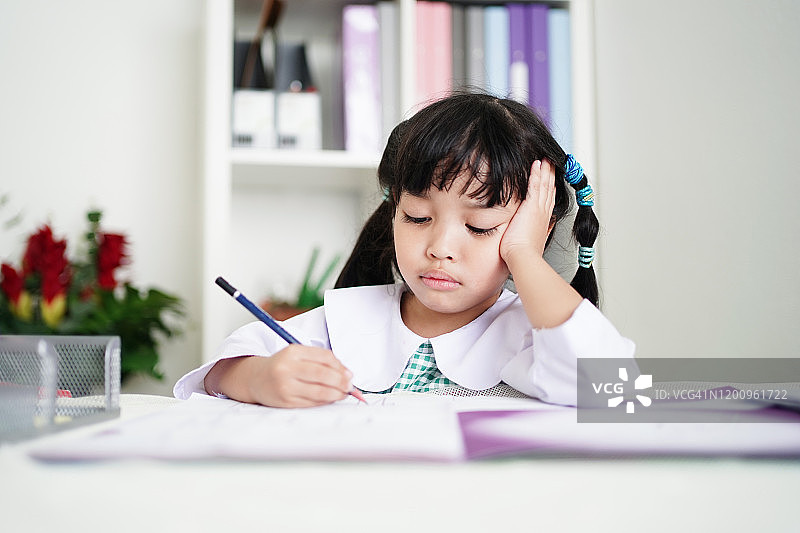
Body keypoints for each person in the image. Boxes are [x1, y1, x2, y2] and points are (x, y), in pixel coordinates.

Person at [174, 92, 635, 408]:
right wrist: (260, 379)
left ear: (534, 229)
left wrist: (524, 254)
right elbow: (218, 373)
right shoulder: (348, 320)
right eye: (417, 217)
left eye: (479, 227)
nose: (440, 249)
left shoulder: (529, 334)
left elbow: (619, 388)